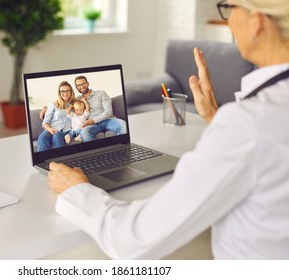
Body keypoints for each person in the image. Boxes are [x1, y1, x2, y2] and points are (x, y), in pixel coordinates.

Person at [48, 0, 289, 259]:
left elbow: (134, 239)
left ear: (258, 22)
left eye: (230, 8)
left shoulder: (248, 124)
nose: (229, 20)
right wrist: (216, 118)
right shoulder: (256, 119)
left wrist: (75, 190)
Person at [74, 75, 127, 142]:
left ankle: (124, 150)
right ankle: (94, 152)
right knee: (84, 132)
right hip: (93, 126)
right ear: (76, 87)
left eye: (83, 83)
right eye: (78, 85)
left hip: (108, 121)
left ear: (88, 83)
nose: (81, 86)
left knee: (123, 125)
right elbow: (66, 105)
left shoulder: (101, 93)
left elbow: (108, 111)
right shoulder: (78, 100)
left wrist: (94, 121)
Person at [37, 81, 75, 152]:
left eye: (67, 91)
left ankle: (60, 161)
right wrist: (49, 129)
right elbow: (46, 122)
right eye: (62, 91)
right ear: (59, 93)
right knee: (42, 138)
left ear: (71, 91)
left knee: (57, 137)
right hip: (52, 129)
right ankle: (42, 162)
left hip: (66, 131)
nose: (65, 93)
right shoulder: (53, 104)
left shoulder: (75, 103)